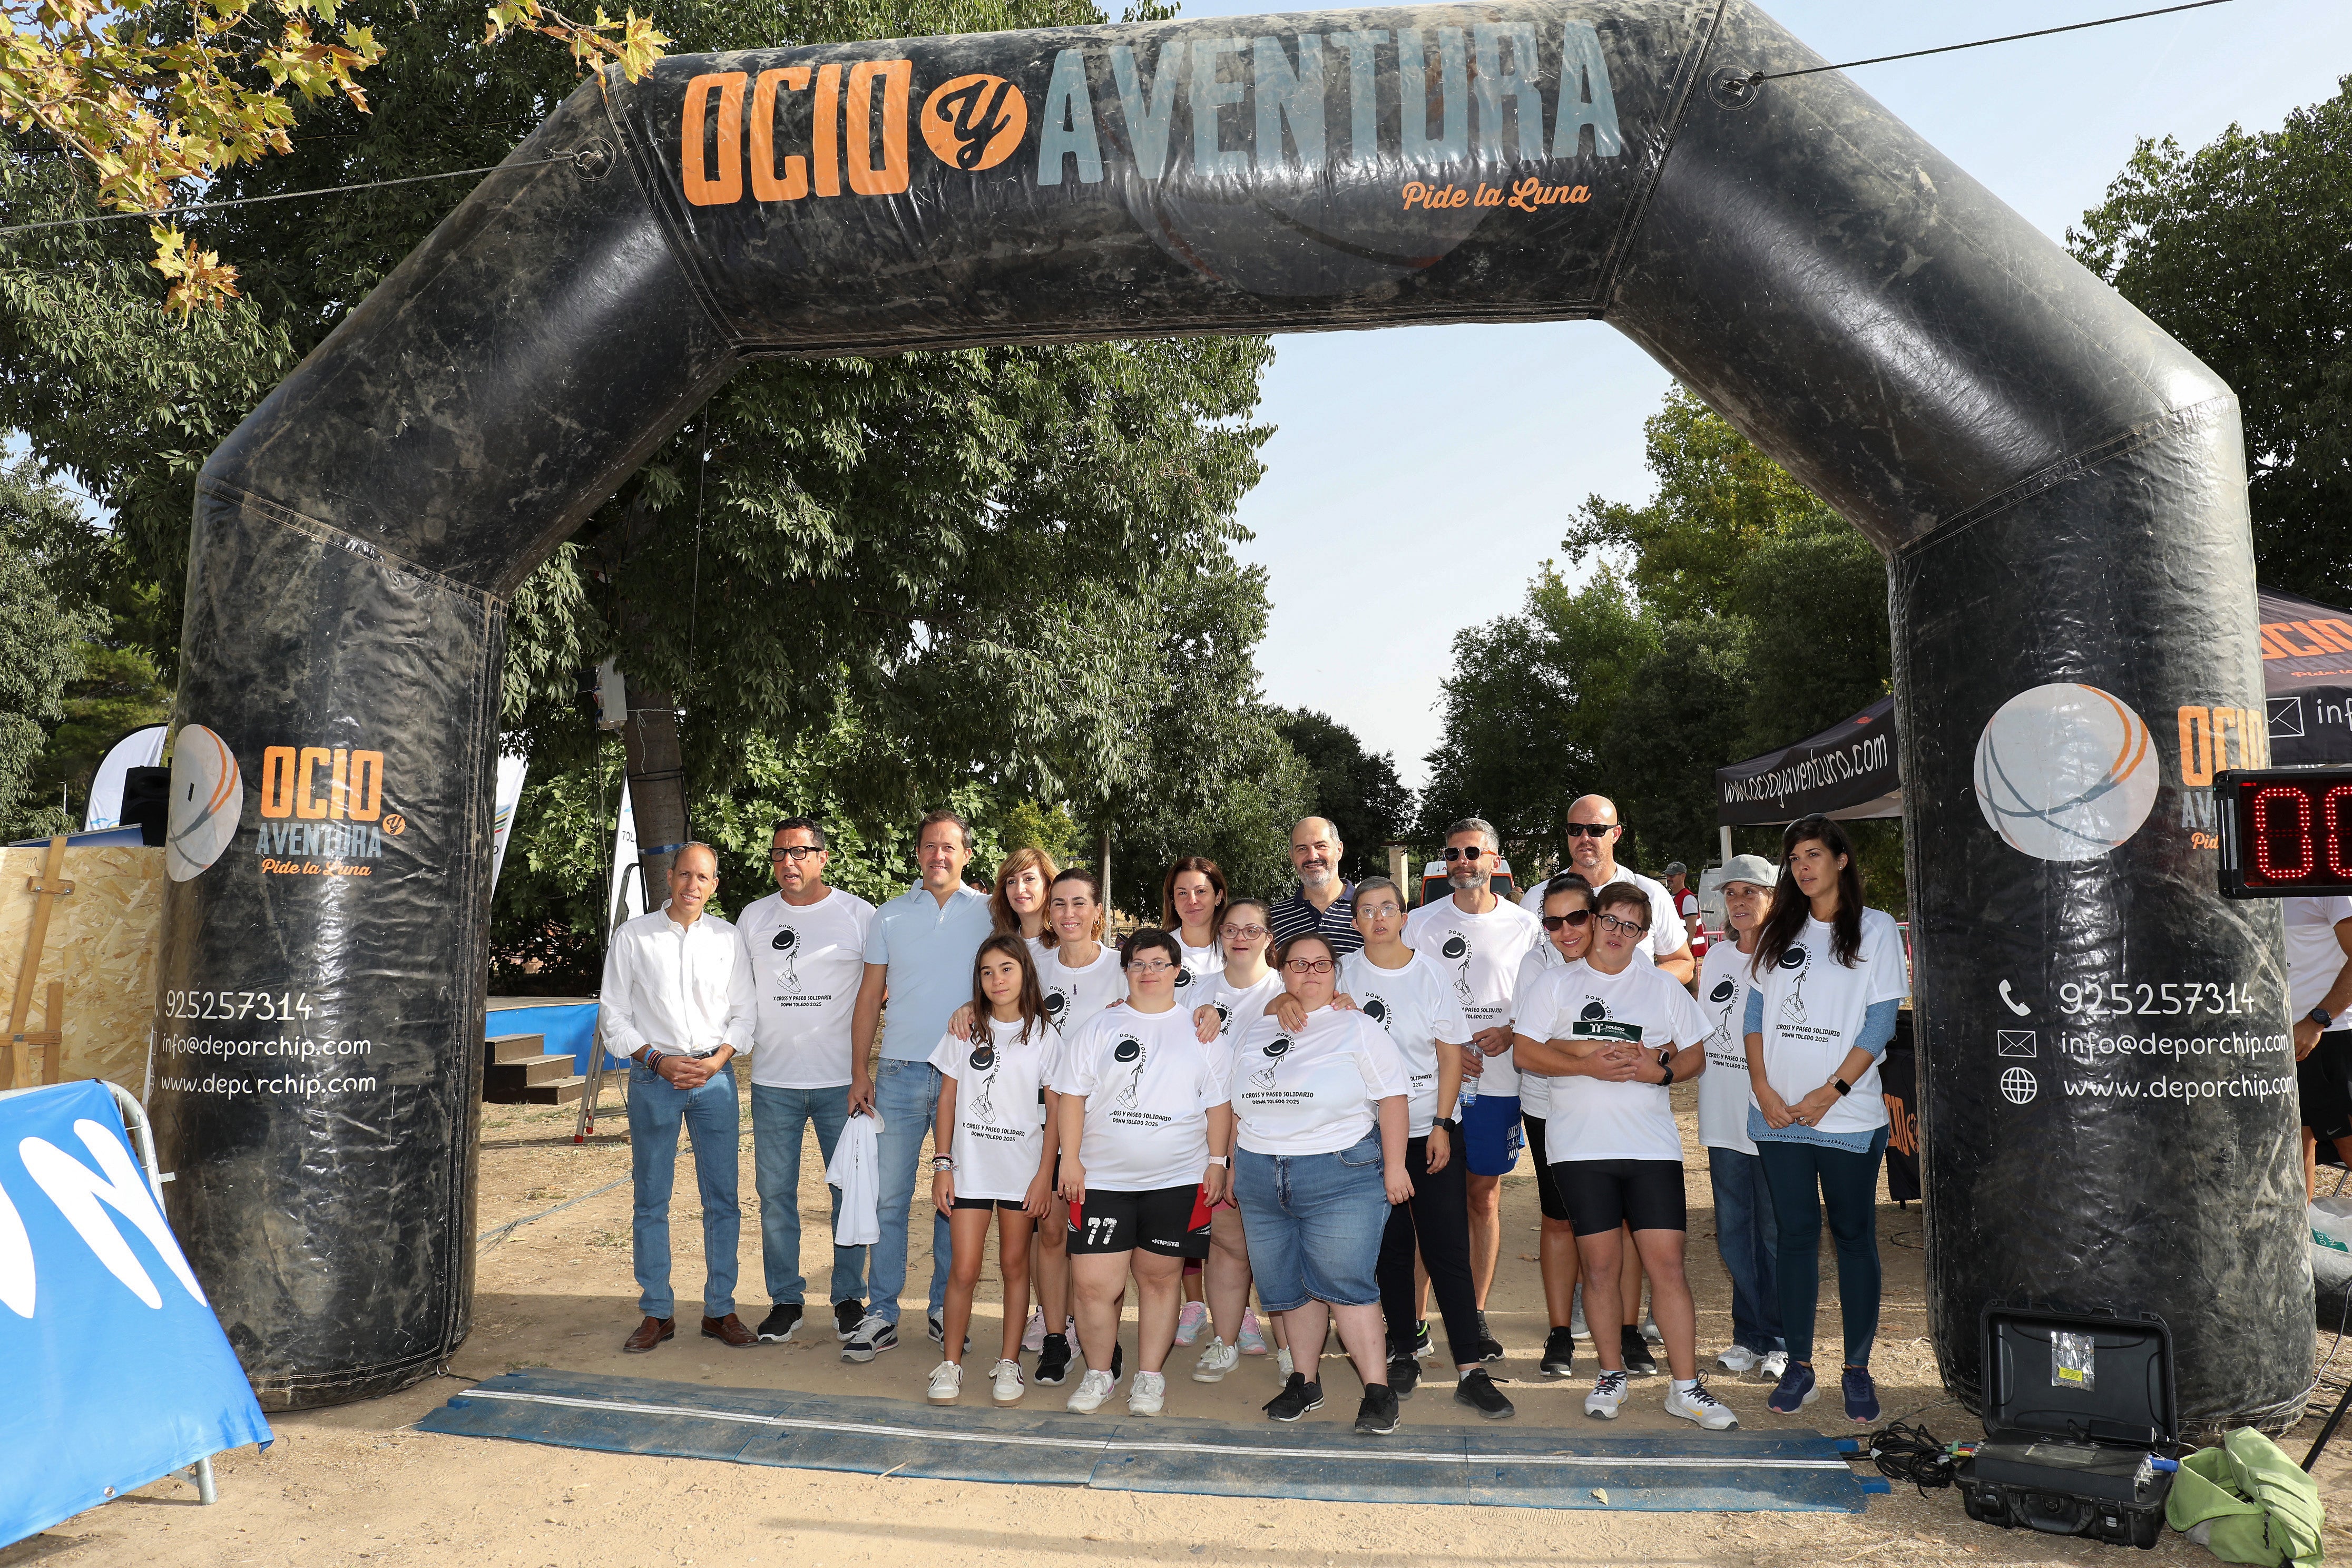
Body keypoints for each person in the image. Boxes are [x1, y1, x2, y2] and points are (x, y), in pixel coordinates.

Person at [1513, 881, 1736, 1430]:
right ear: (1593, 920)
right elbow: (1525, 1052)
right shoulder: (1554, 984)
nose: (1617, 933)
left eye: (1631, 926)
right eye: (1610, 920)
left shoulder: (1661, 986)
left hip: (1650, 1148)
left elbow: (1696, 1056)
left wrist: (1659, 1072)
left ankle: (1685, 1388)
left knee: (1668, 1266)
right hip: (1579, 1148)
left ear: (1643, 935)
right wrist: (1585, 1064)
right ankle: (1610, 1374)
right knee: (1600, 1267)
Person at [1742, 814, 1908, 1425]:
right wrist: (1762, 1087)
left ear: (1841, 859)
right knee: (1793, 1237)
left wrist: (1832, 1092)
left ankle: (1857, 1370)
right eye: (1794, 859)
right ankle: (1801, 1367)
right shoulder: (1778, 929)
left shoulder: (1876, 927)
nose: (1803, 867)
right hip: (1779, 1115)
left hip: (1847, 1115)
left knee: (1853, 1236)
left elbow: (1882, 1021)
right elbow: (1753, 1016)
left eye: (1813, 854)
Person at [1343, 876, 1515, 1418]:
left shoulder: (1431, 973)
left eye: (1387, 908)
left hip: (1430, 1130)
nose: (1378, 919)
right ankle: (1405, 1351)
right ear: (1354, 921)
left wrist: (1443, 1123)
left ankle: (1470, 1368)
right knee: (1391, 1250)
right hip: (1368, 1136)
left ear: (1404, 917)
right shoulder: (1342, 973)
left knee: (1447, 1248)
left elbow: (1449, 1055)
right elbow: (1292, 1002)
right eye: (1366, 910)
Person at [1229, 932, 1415, 1434]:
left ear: (1336, 973)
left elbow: (1393, 1098)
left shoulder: (1358, 1027)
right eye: (1298, 964)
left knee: (1346, 1285)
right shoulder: (1255, 1028)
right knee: (1289, 1288)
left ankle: (1378, 1392)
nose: (1310, 973)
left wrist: (1396, 1167)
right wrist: (1229, 1163)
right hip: (1260, 1175)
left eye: (1321, 965)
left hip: (1341, 1174)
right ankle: (1304, 1381)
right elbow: (1233, 1103)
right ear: (1282, 972)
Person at [1052, 929, 1233, 1417]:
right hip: (1102, 1182)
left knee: (1159, 1280)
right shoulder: (1099, 1027)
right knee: (1093, 1285)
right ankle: (1099, 1374)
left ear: (1177, 971)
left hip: (1177, 1180)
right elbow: (1071, 1097)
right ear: (1126, 970)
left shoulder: (1201, 1032)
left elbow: (1219, 1104)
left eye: (1158, 963)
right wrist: (1070, 1158)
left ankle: (1150, 1377)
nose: (1148, 972)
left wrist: (1217, 1163)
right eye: (1138, 963)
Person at [845, 809, 995, 1363]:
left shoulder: (992, 913)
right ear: (917, 854)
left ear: (967, 854)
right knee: (889, 1198)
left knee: (955, 1198)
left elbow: (1011, 981)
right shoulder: (888, 915)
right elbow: (869, 998)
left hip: (970, 1075)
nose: (939, 855)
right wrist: (860, 1071)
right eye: (930, 846)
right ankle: (882, 1313)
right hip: (899, 1073)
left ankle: (942, 1309)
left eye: (949, 846)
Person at [599, 842, 757, 1353]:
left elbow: (746, 1014)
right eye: (686, 874)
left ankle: (720, 1310)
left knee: (723, 1200)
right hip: (655, 1079)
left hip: (714, 1079)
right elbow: (613, 1015)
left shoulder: (729, 939)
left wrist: (717, 1060)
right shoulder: (633, 937)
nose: (693, 885)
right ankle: (657, 1313)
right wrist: (656, 1060)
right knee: (651, 1199)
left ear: (715, 885)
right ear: (669, 877)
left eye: (703, 877)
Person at [1404, 816, 1545, 1361]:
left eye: (1472, 852)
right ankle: (1414, 1322)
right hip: (1433, 1082)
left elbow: (1542, 996)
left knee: (1483, 1197)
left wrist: (1511, 1031)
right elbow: (1405, 998)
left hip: (1498, 1082)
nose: (1462, 862)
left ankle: (1476, 1316)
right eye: (1453, 853)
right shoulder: (1420, 923)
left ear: (1494, 860)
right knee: (1424, 1205)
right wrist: (1444, 1048)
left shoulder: (1524, 925)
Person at [734, 817, 877, 1347]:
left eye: (799, 852)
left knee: (848, 1191)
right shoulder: (754, 917)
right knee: (775, 1195)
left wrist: (862, 1069)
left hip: (843, 1083)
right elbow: (735, 991)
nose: (788, 862)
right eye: (779, 853)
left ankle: (848, 1298)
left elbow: (879, 989)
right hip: (774, 1083)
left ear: (822, 857)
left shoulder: (859, 915)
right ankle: (786, 1300)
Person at [926, 936, 1056, 1406]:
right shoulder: (965, 1029)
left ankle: (1009, 1362)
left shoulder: (1044, 1034)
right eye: (987, 971)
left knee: (1015, 1265)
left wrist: (1044, 1176)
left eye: (1006, 969)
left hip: (1022, 1173)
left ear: (1025, 973)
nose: (997, 980)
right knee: (963, 1268)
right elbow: (947, 1099)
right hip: (970, 1171)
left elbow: (1056, 1113)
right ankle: (950, 1364)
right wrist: (943, 1164)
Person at [1694, 853, 1787, 1379]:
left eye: (1751, 891)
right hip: (1722, 1116)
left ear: (1774, 898)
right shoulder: (1716, 958)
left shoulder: (1790, 959)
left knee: (1775, 1236)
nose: (1739, 901)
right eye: (1731, 893)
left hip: (1773, 1119)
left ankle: (1782, 1340)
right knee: (1734, 1235)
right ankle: (1748, 1336)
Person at [1187, 896, 1285, 1379]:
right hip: (1214, 1138)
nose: (1240, 939)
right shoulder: (1195, 991)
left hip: (1276, 1137)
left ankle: (1293, 1350)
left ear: (1269, 937)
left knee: (1280, 1245)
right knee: (1227, 1243)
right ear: (1219, 936)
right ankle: (1224, 1341)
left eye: (1252, 930)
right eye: (1230, 930)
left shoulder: (1290, 987)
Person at [1509, 870, 1595, 1379]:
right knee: (1559, 1218)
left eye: (1577, 917)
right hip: (1546, 1109)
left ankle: (1625, 1330)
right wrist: (1593, 1053)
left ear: (1596, 915)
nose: (1566, 930)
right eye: (1554, 922)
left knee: (1618, 1222)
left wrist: (1567, 1047)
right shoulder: (1534, 965)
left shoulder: (1625, 958)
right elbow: (1529, 1047)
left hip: (1612, 1110)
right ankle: (1560, 1331)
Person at [1522, 796, 1694, 986]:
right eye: (1575, 829)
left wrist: (1636, 984)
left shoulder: (1649, 893)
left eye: (1596, 830)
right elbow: (1519, 972)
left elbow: (1683, 964)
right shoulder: (1538, 898)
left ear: (1616, 834)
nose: (1584, 838)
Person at [2286, 896, 2352, 1197]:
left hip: (2330, 1033)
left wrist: (2317, 1021)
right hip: (2275, 1036)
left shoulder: (2330, 887)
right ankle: (2299, 1226)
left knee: (2347, 1143)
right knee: (2295, 1142)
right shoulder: (2247, 882)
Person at [1268, 816, 1363, 957]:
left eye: (1321, 846)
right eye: (1302, 849)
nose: (1312, 856)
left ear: (1339, 850)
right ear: (1292, 856)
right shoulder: (1273, 919)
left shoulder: (1370, 912)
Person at [989, 846, 1060, 958]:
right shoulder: (999, 946)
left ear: (1049, 885)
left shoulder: (1066, 942)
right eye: (1012, 882)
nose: (1019, 889)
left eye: (1029, 879)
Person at [1665, 861, 1707, 962]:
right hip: (1681, 951)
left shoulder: (1687, 898)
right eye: (1667, 875)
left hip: (1689, 952)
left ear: (1683, 876)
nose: (1668, 878)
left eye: (1672, 875)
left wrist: (1685, 953)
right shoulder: (1673, 897)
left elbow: (1692, 929)